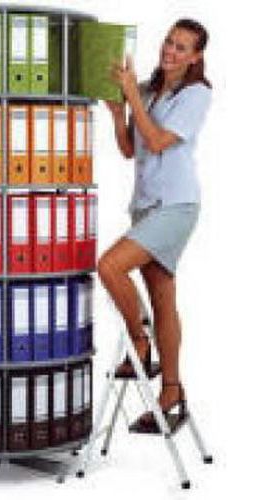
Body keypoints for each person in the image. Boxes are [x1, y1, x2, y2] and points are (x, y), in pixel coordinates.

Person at [98, 18, 212, 428]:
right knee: (163, 299)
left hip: (176, 206)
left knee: (109, 266)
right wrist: (119, 113)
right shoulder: (147, 89)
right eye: (169, 42)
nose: (170, 51)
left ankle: (140, 343)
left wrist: (132, 94)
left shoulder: (196, 94)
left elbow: (160, 141)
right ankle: (172, 390)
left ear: (195, 57)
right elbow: (131, 149)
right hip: (145, 207)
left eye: (182, 47)